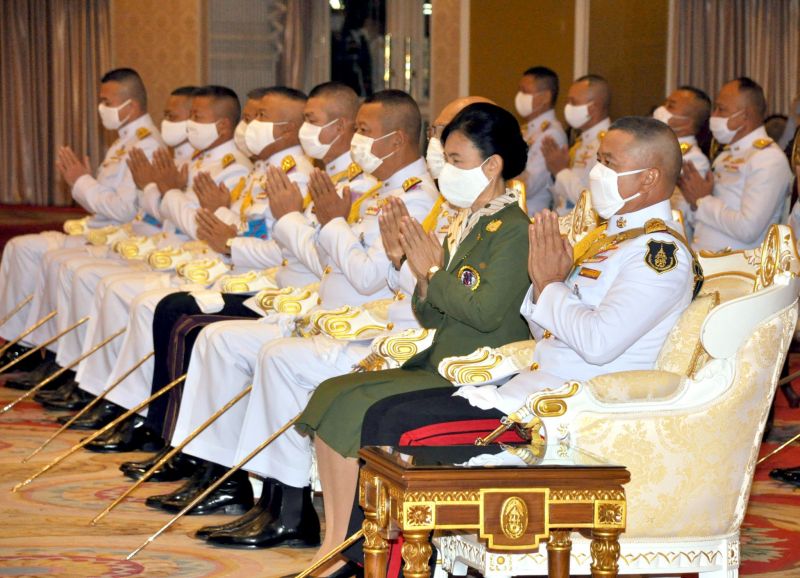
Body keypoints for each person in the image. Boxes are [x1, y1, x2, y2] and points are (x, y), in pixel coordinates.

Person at [326, 116, 698, 578]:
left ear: (649, 177)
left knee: (400, 426)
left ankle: (391, 565)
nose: (595, 172)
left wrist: (550, 285)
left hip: (570, 413)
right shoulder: (609, 240)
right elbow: (544, 324)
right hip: (530, 390)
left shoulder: (659, 256)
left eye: (609, 163)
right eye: (598, 160)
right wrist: (541, 286)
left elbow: (599, 343)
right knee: (383, 413)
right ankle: (373, 562)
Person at [189, 96, 487, 550]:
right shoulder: (381, 192)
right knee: (246, 347)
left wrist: (328, 224)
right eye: (435, 132)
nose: (356, 141)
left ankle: (288, 508)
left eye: (364, 131)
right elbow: (348, 264)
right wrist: (330, 228)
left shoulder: (417, 198)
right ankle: (265, 496)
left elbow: (370, 278)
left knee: (280, 360)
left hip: (392, 335)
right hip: (351, 320)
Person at [291, 102, 532, 577]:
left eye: (456, 160)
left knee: (359, 409)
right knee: (331, 394)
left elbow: (484, 314)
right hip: (443, 355)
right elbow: (430, 313)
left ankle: (351, 553)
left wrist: (433, 272)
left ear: (492, 166)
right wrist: (415, 271)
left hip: (481, 369)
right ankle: (336, 543)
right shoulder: (468, 220)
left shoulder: (512, 230)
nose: (445, 171)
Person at [0, 68, 162, 351]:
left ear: (132, 106)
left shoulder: (144, 145)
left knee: (38, 254)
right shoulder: (124, 141)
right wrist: (86, 183)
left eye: (107, 102)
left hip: (120, 239)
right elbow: (108, 202)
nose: (101, 108)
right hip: (102, 231)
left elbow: (123, 210)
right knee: (19, 248)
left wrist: (82, 182)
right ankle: (19, 340)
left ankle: (34, 347)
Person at [679, 77, 793, 252]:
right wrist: (695, 203)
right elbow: (704, 222)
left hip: (736, 264)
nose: (713, 116)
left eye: (721, 109)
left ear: (744, 116)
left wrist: (702, 201)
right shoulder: (725, 155)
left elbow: (747, 229)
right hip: (704, 257)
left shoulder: (768, 158)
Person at [541, 74, 611, 215]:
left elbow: (594, 201)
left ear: (592, 108)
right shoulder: (581, 141)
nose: (568, 107)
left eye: (573, 102)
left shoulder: (606, 144)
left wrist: (561, 171)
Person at [652, 85, 712, 241]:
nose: (662, 109)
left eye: (671, 106)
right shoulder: (660, 148)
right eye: (665, 103)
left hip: (669, 238)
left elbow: (683, 211)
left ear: (687, 123)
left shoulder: (693, 160)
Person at [513, 66, 567, 215]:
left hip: (530, 215)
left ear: (545, 97)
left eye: (525, 92)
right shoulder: (526, 130)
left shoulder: (551, 134)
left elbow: (529, 186)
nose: (519, 96)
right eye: (519, 91)